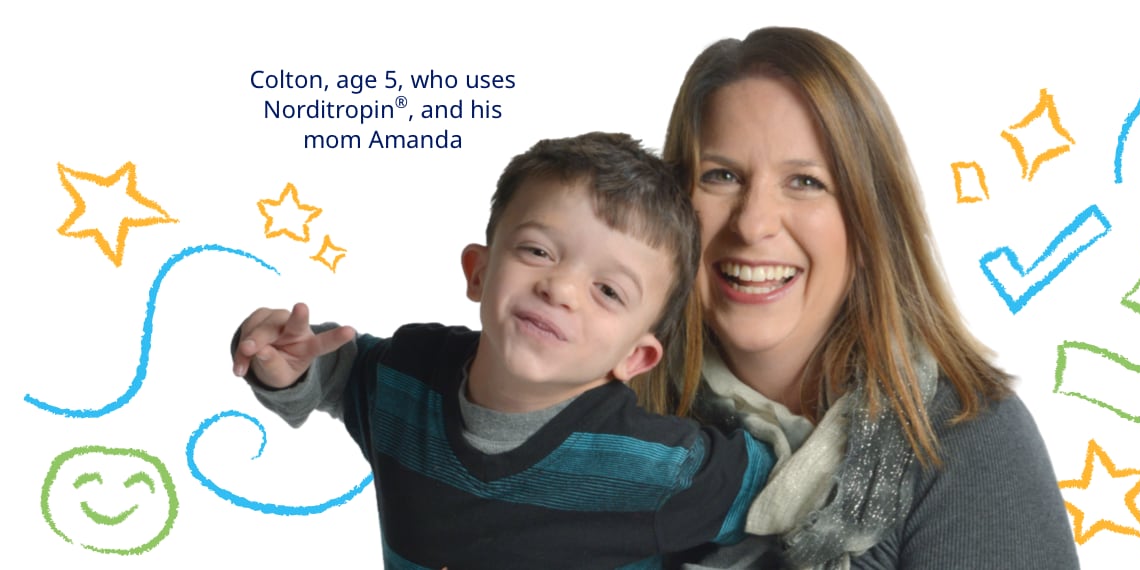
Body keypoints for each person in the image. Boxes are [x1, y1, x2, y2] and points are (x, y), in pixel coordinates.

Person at [229, 132, 775, 569]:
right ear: (479, 271)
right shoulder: (405, 376)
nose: (559, 289)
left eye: (608, 291)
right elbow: (338, 373)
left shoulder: (661, 465)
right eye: (538, 251)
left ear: (635, 358)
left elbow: (786, 493)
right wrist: (289, 367)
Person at [645, 28, 1081, 569]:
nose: (754, 224)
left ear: (871, 219)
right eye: (722, 176)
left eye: (805, 182)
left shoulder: (966, 440)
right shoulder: (606, 420)